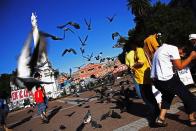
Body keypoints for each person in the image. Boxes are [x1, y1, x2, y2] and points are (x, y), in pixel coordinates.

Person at [151, 42, 196, 127]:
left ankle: (161, 118)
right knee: (189, 97)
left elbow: (172, 65)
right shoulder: (173, 49)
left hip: (156, 81)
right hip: (167, 79)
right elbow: (180, 67)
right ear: (182, 50)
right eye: (183, 55)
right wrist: (191, 57)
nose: (182, 57)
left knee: (168, 95)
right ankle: (192, 119)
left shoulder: (160, 49)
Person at [125, 41, 160, 127]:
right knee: (149, 96)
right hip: (144, 77)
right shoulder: (138, 51)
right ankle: (157, 113)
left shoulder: (138, 51)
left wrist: (132, 66)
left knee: (146, 97)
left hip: (142, 78)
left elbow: (140, 63)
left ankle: (153, 118)